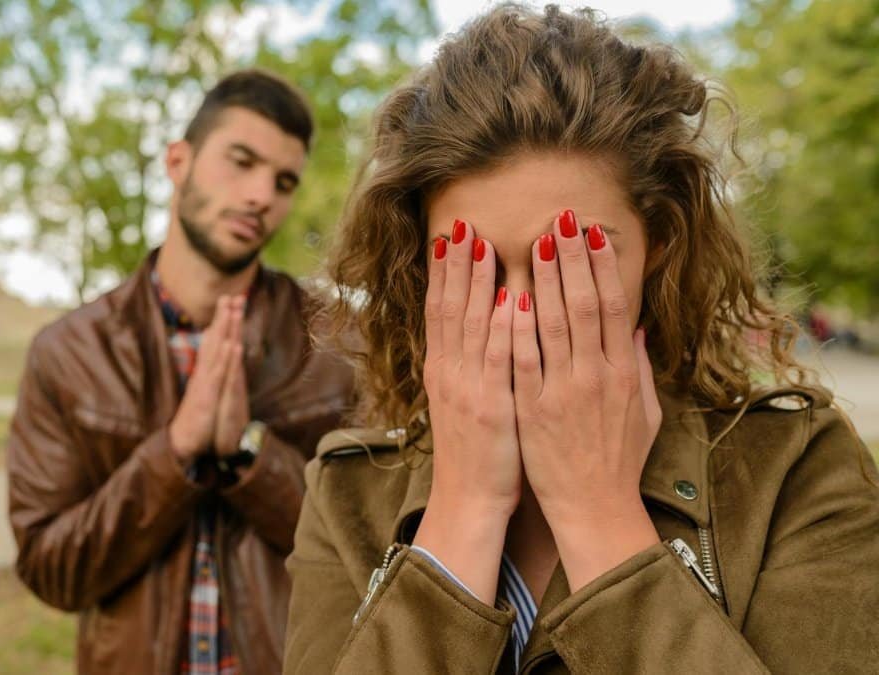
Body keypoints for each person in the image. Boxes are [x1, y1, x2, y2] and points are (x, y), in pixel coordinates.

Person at [284, 5, 879, 673]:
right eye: (472, 267)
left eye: (565, 263)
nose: (519, 316)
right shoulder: (347, 495)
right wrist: (462, 513)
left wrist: (600, 519)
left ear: (659, 249)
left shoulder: (793, 470)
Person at [8, 69, 355, 673]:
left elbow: (370, 554)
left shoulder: (337, 341)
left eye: (283, 181)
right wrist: (174, 452)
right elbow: (52, 571)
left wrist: (249, 449)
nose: (259, 196)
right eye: (240, 162)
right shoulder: (68, 352)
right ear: (178, 161)